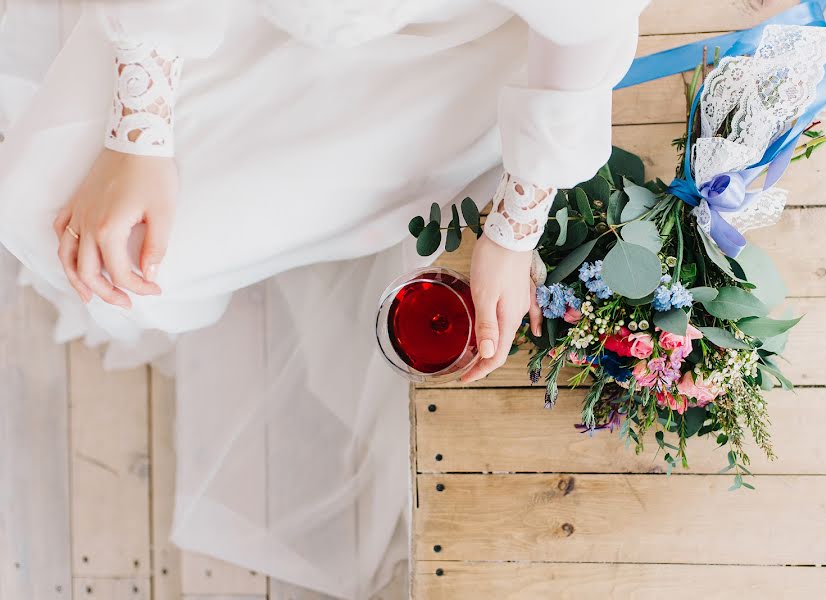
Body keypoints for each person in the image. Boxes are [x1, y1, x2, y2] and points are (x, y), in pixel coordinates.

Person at [0, 0, 646, 597]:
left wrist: (511, 232)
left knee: (152, 254)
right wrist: (136, 135)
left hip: (434, 51)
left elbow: (587, 31)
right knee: (51, 206)